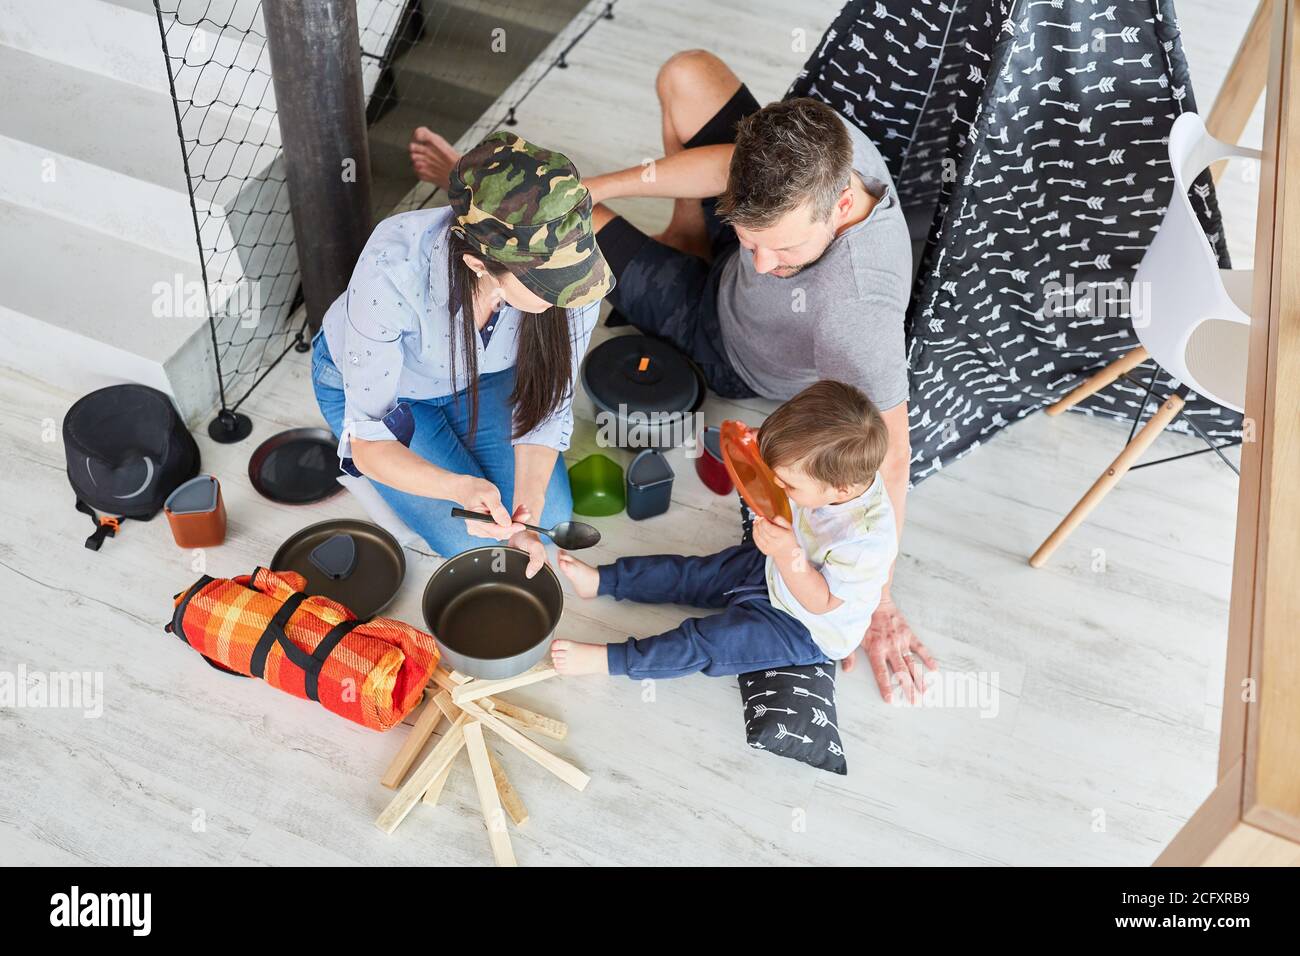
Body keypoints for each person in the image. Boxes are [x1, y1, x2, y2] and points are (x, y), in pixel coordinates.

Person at [408, 52, 934, 700]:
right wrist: (595, 186)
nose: (764, 263)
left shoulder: (856, 317)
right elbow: (730, 170)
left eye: (785, 249)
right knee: (687, 74)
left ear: (843, 201)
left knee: (555, 240)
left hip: (724, 340)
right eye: (751, 236)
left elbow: (895, 458)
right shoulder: (826, 145)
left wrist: (878, 602)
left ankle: (521, 212)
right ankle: (688, 229)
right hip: (731, 251)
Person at [313, 131, 613, 577]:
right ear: (480, 266)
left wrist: (525, 519)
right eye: (550, 285)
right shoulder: (390, 270)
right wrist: (457, 487)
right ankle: (393, 489)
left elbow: (550, 408)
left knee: (545, 522)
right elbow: (371, 441)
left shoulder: (576, 275)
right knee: (467, 544)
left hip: (484, 374)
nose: (573, 296)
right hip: (394, 398)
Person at [549, 382, 895, 679]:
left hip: (803, 625)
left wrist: (785, 552)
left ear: (842, 491)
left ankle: (610, 661)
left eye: (787, 484)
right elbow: (796, 460)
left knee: (705, 642)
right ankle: (604, 581)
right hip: (777, 567)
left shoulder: (865, 541)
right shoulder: (832, 471)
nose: (775, 484)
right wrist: (758, 448)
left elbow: (821, 602)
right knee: (696, 573)